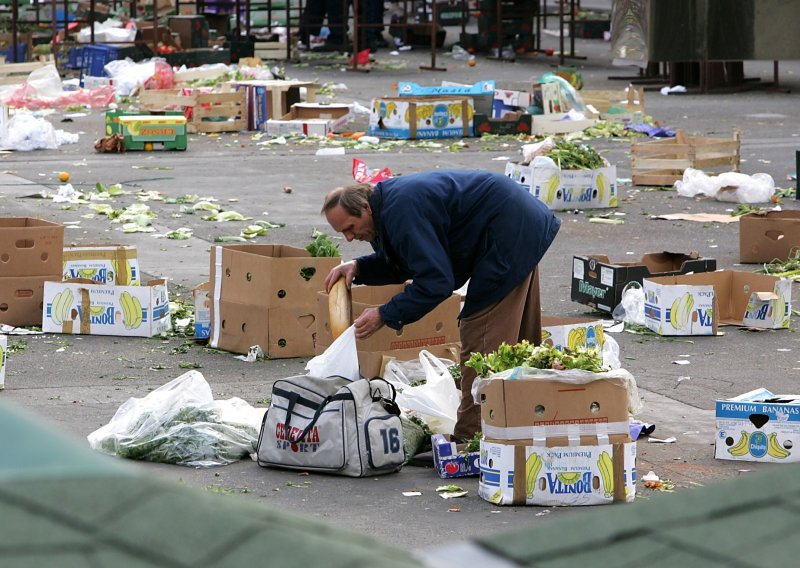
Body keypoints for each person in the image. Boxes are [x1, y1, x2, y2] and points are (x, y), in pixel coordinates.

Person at [321, 170, 561, 442]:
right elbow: (404, 261)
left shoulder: (400, 211)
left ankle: (471, 441)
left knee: (481, 340)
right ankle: (526, 423)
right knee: (517, 341)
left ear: (365, 208)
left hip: (509, 230)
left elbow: (435, 282)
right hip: (516, 222)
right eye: (343, 233)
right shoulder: (385, 210)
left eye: (350, 228)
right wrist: (359, 267)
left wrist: (384, 314)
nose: (350, 238)